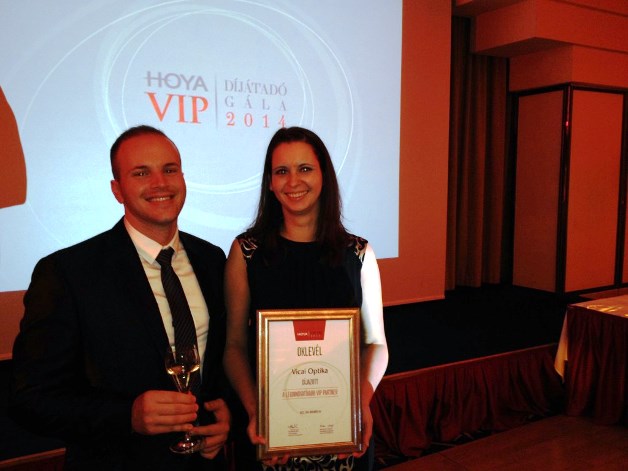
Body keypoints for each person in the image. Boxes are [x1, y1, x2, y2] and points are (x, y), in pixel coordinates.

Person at [10, 125, 231, 470]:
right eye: (141, 173)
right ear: (117, 190)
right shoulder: (68, 273)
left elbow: (221, 365)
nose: (160, 183)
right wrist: (126, 415)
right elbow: (30, 398)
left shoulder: (212, 259)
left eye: (169, 169)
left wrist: (226, 414)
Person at [223, 126, 389, 470]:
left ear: (323, 176)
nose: (293, 181)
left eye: (305, 168)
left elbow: (376, 343)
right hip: (272, 435)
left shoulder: (359, 253)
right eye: (281, 171)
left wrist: (359, 402)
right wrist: (257, 412)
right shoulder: (246, 252)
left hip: (342, 432)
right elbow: (234, 346)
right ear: (270, 183)